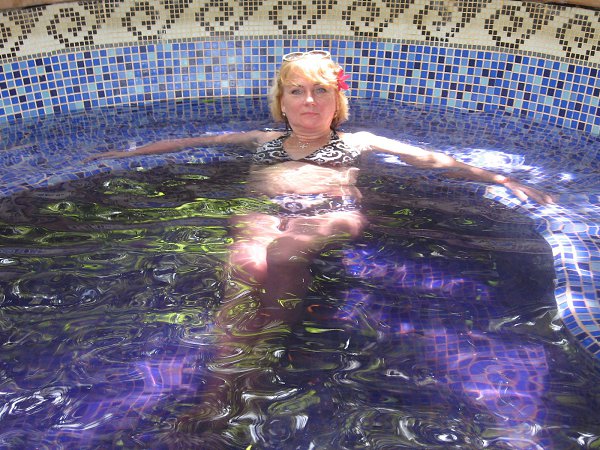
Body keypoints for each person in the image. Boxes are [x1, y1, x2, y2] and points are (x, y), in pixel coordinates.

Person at [87, 50, 555, 440]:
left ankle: (253, 377)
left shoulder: (360, 142)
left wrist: (503, 180)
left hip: (328, 215)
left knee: (285, 253)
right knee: (247, 262)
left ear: (337, 101)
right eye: (296, 91)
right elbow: (189, 141)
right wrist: (121, 155)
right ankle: (219, 394)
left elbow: (433, 161)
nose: (308, 100)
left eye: (321, 90)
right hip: (265, 213)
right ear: (281, 102)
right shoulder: (264, 139)